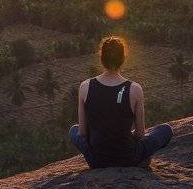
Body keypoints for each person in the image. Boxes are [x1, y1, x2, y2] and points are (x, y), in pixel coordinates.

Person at [69, 36, 173, 168]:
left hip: (96, 160)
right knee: (166, 130)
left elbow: (83, 133)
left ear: (102, 58)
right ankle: (141, 158)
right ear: (122, 59)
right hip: (128, 158)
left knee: (74, 130)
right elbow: (140, 134)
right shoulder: (135, 89)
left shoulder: (85, 86)